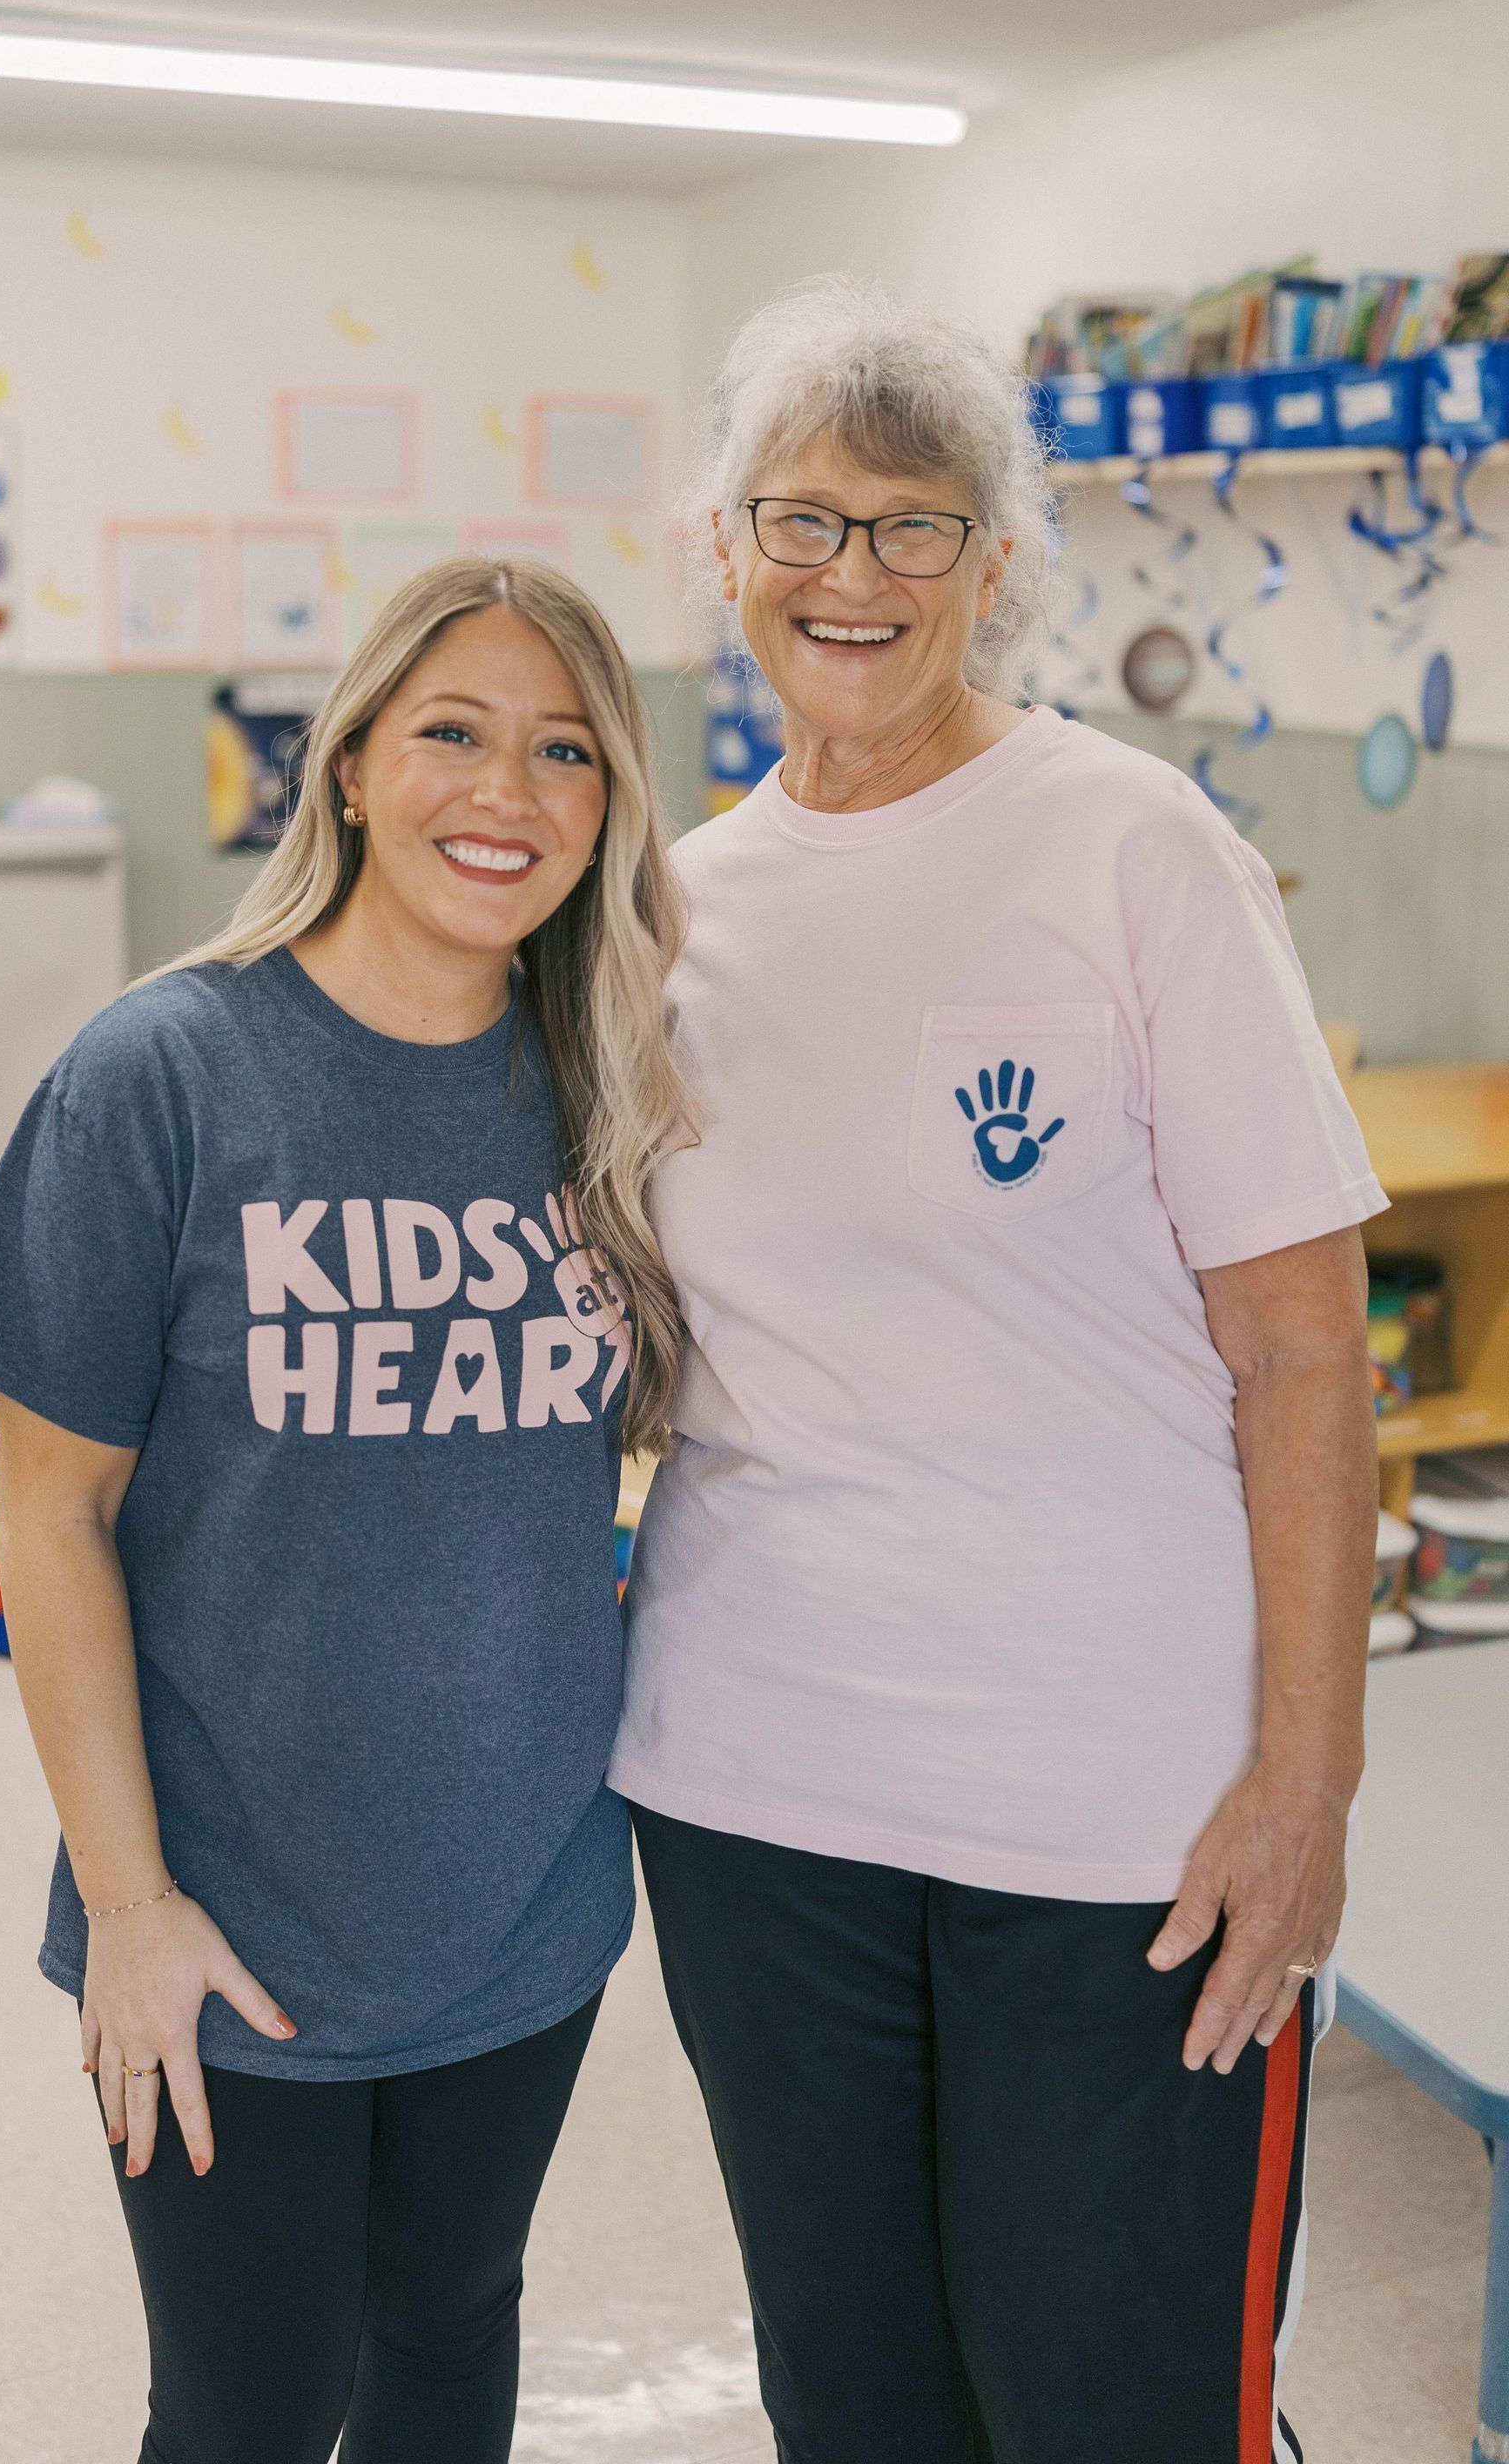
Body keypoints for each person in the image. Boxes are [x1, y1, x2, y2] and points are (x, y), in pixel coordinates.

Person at [609, 278, 1385, 2464]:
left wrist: (1307, 1780)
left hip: (1119, 1815)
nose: (852, 576)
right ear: (727, 555)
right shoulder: (672, 914)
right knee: (857, 2404)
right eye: (805, 521)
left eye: (915, 526)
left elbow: (1307, 1353)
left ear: (998, 568)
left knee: (1119, 2404)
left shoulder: (1138, 853)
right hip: (759, 1797)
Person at [0, 557, 694, 2464]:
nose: (505, 795)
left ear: (609, 809)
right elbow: (50, 1521)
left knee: (449, 2350)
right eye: (451, 732)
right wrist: (129, 1907)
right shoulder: (160, 1076)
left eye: (565, 752)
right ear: (347, 764)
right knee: (254, 2408)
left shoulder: (611, 1089)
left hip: (522, 1910)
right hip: (225, 1925)